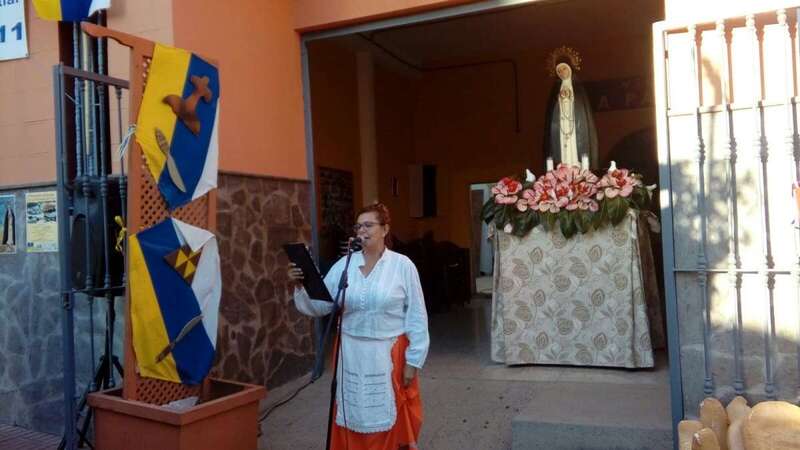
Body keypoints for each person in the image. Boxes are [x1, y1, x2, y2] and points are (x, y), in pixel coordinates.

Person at [287, 202, 429, 449]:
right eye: (358, 226)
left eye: (368, 225)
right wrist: (300, 286)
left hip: (388, 354)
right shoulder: (345, 265)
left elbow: (416, 315)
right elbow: (322, 306)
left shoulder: (402, 265)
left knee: (387, 414)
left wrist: (413, 361)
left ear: (385, 229)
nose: (362, 230)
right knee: (352, 414)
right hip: (350, 354)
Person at [545, 61, 599, 169]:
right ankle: (564, 166)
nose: (561, 72)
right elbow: (552, 112)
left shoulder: (578, 89)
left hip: (575, 124)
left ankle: (576, 164)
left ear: (570, 69)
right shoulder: (555, 89)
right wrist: (560, 99)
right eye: (559, 71)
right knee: (563, 143)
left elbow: (581, 109)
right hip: (561, 124)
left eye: (564, 69)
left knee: (573, 143)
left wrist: (570, 98)